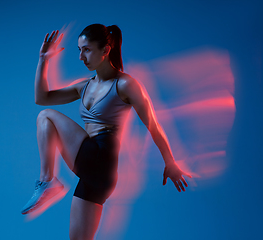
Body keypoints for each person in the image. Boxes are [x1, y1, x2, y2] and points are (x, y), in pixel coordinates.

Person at [21, 23, 192, 240]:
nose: (81, 57)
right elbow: (41, 97)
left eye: (87, 50)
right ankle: (48, 183)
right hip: (94, 170)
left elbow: (153, 125)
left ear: (105, 50)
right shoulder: (84, 86)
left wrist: (170, 162)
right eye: (79, 50)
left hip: (101, 160)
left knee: (46, 116)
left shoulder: (125, 84)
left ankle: (48, 181)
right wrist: (44, 59)